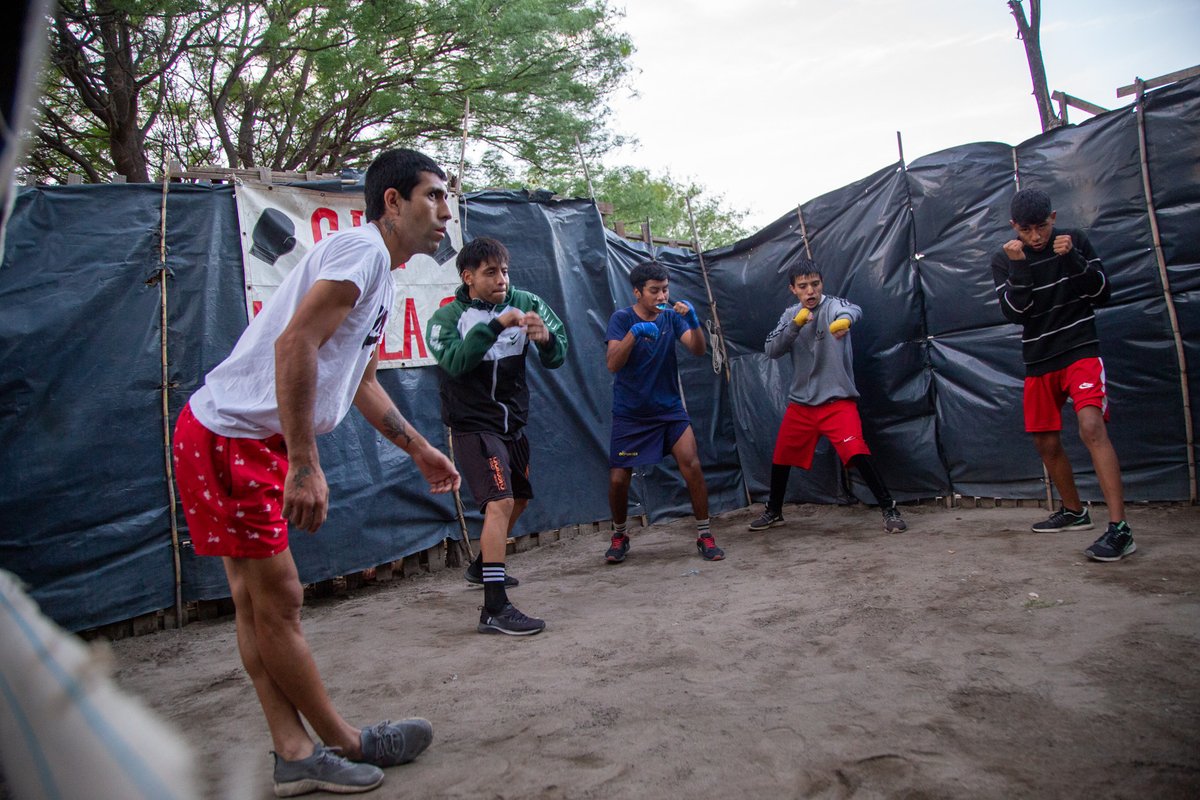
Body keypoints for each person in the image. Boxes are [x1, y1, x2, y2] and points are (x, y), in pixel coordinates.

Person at [172, 148, 461, 797]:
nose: (445, 211)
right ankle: (344, 741)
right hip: (234, 438)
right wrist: (304, 464)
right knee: (280, 604)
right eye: (434, 196)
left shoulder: (375, 270)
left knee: (258, 604)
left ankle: (295, 751)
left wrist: (417, 448)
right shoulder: (361, 253)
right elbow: (294, 344)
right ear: (394, 201)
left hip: (232, 434)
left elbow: (356, 374)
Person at [426, 236, 567, 636]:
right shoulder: (447, 319)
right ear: (468, 277)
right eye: (491, 272)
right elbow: (455, 362)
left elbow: (559, 355)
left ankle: (481, 567)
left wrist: (546, 340)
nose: (501, 279)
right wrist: (494, 325)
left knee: (519, 498)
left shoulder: (529, 302)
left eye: (504, 270)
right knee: (500, 502)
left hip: (513, 426)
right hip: (474, 426)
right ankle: (494, 608)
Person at [991, 187, 1135, 562]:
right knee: (1045, 442)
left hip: (1080, 349)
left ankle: (1120, 530)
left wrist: (1072, 259)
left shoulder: (1075, 242)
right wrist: (1019, 266)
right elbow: (1014, 313)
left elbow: (1102, 293)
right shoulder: (1006, 258)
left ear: (1053, 219)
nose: (1035, 237)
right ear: (1014, 227)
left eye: (1041, 227)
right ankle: (1075, 512)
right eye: (1026, 230)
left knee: (1091, 426)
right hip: (1038, 358)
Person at [748, 260, 907, 534]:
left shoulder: (833, 305)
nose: (810, 291)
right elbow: (771, 349)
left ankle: (888, 507)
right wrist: (795, 325)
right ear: (793, 289)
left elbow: (853, 310)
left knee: (856, 451)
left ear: (821, 283)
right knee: (782, 456)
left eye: (815, 284)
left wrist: (844, 321)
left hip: (837, 401)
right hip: (802, 405)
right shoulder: (790, 315)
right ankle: (774, 510)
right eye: (803, 286)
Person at [603, 260, 724, 563]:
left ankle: (705, 534)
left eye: (665, 290)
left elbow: (697, 349)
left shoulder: (671, 318)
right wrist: (635, 333)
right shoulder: (621, 319)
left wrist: (694, 321)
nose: (661, 296)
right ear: (637, 292)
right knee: (618, 480)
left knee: (692, 464)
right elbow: (612, 364)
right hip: (631, 413)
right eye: (654, 291)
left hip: (669, 410)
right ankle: (619, 535)